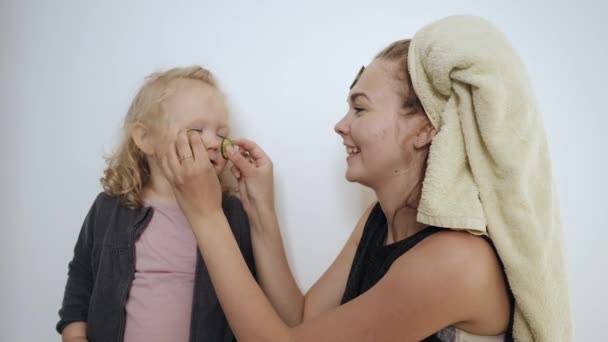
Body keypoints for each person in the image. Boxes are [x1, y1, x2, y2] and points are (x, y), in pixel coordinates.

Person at [158, 36, 517, 341]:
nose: (340, 126)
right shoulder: (378, 221)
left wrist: (206, 216)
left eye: (360, 109)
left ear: (423, 129)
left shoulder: (456, 261)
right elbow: (301, 320)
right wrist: (261, 211)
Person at [57, 65, 255, 342]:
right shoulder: (109, 208)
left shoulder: (232, 214)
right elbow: (81, 275)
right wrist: (74, 334)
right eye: (197, 129)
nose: (214, 142)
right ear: (146, 139)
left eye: (222, 133)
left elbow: (253, 301)